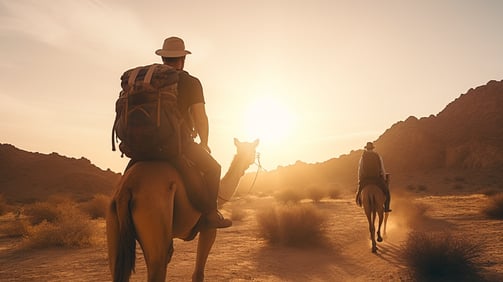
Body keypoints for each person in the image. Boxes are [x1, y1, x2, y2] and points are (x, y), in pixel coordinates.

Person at [126, 36, 231, 228]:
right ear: (183, 59)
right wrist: (204, 143)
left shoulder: (149, 82)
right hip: (175, 146)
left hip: (142, 148)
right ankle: (210, 214)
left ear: (163, 59)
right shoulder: (191, 82)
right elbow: (200, 118)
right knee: (214, 168)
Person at [355, 142, 392, 212]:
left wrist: (360, 179)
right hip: (377, 179)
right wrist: (384, 178)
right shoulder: (377, 156)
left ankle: (359, 202)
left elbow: (360, 169)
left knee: (359, 192)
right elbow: (382, 168)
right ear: (372, 148)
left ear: (366, 148)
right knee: (387, 193)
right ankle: (386, 208)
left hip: (365, 179)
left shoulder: (363, 157)